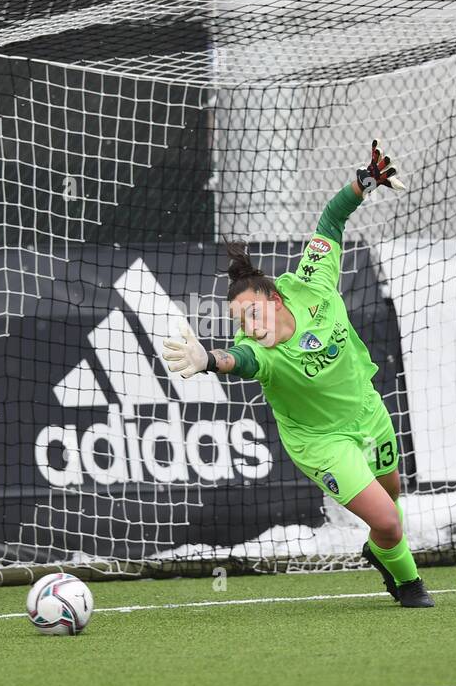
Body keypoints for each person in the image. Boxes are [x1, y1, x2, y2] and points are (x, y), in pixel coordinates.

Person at [162, 140, 433, 607]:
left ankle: (380, 551)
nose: (248, 327)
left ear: (276, 299)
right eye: (239, 322)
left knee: (393, 509)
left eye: (252, 315)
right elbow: (236, 361)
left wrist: (365, 181)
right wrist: (208, 359)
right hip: (320, 442)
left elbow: (331, 220)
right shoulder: (258, 352)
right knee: (388, 522)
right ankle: (408, 585)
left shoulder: (312, 284)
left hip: (368, 413)